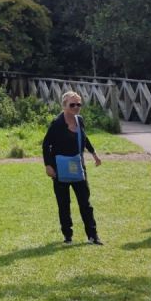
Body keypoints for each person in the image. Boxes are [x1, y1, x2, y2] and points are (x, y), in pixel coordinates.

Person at [42, 91, 103, 245]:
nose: (76, 107)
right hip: (59, 169)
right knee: (64, 204)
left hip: (78, 167)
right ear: (64, 106)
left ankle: (93, 235)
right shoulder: (57, 123)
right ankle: (68, 236)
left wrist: (94, 153)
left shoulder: (79, 120)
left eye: (78, 104)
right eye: (72, 104)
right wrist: (48, 165)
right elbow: (46, 144)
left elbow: (84, 137)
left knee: (85, 203)